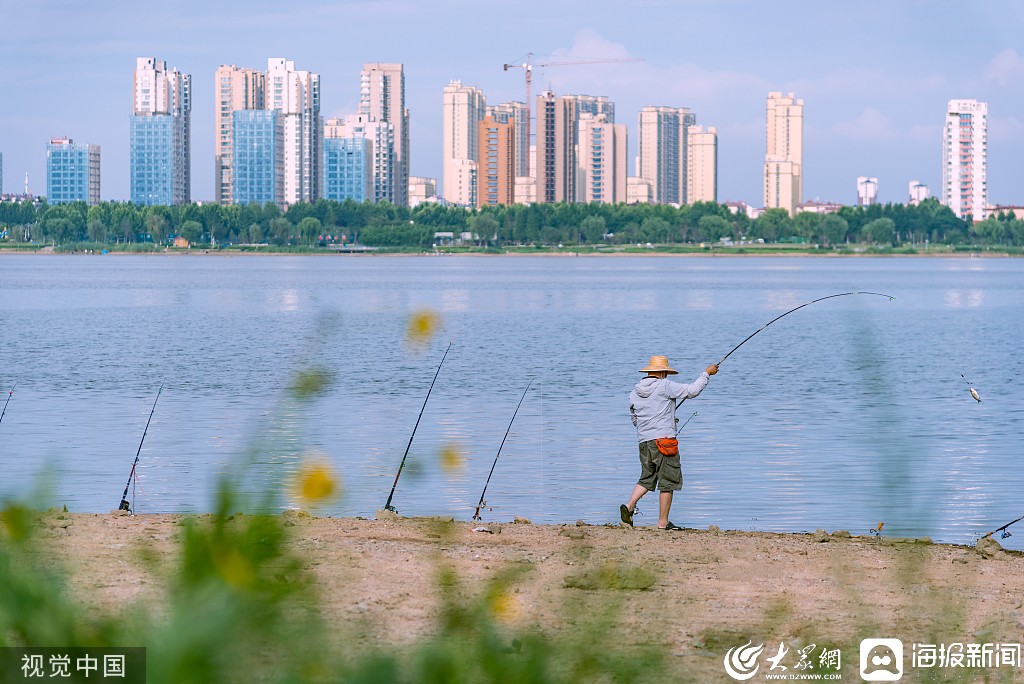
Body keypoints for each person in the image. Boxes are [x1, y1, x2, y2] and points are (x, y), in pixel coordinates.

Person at [621, 355, 718, 530]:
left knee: (647, 477)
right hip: (664, 442)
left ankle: (629, 506)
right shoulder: (664, 385)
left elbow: (634, 419)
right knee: (668, 481)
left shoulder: (634, 392)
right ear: (663, 372)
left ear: (649, 372)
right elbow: (692, 391)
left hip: (644, 441)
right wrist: (706, 374)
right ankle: (663, 522)